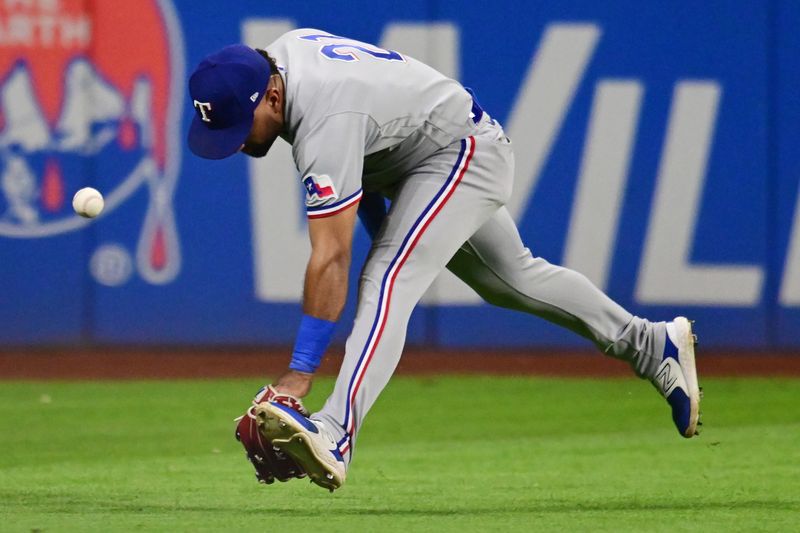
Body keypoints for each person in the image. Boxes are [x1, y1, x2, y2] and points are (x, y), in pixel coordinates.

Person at [188, 29, 702, 492]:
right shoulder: (282, 60)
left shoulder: (326, 115)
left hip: (459, 152)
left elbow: (331, 256)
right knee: (511, 279)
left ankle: (336, 432)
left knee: (387, 277)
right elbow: (358, 167)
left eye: (239, 125)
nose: (233, 142)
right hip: (419, 156)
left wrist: (300, 373)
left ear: (271, 95)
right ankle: (652, 344)